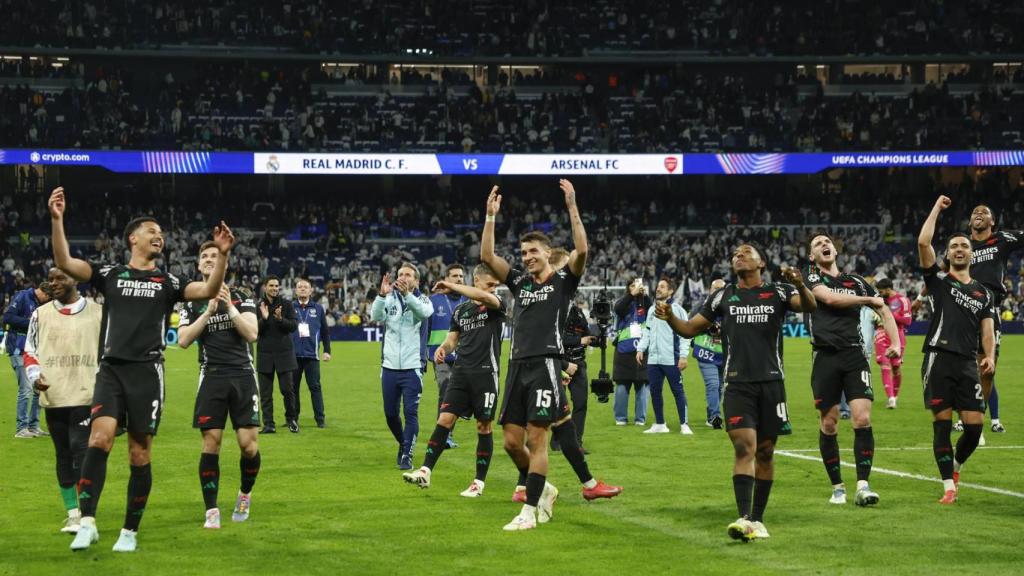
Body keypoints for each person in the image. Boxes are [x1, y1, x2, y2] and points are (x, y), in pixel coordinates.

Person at [49, 186, 235, 552]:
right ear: (133, 238)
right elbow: (66, 262)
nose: (159, 236)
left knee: (139, 453)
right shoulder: (110, 274)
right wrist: (57, 221)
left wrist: (224, 256)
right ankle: (87, 522)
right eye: (152, 231)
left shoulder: (168, 282)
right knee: (98, 439)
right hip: (112, 370)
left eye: (161, 233)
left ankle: (129, 531)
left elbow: (209, 288)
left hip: (147, 374)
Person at [656, 244, 816, 541]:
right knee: (744, 447)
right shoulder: (722, 295)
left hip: (771, 383)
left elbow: (810, 306)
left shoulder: (779, 292)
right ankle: (744, 517)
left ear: (761, 262)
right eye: (735, 254)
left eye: (746, 252)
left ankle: (758, 519)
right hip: (737, 383)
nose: (738, 255)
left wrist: (800, 284)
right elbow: (691, 328)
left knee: (766, 452)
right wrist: (670, 318)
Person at [482, 181, 586, 531]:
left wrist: (572, 207)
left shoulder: (562, 283)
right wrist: (490, 217)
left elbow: (582, 251)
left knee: (536, 439)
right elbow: (487, 258)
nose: (527, 258)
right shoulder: (519, 285)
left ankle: (529, 512)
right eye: (523, 253)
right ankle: (544, 487)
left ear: (546, 253)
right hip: (517, 367)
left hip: (545, 365)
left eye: (532, 252)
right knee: (512, 443)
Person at [804, 234, 902, 507]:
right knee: (829, 422)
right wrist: (866, 301)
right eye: (817, 244)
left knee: (861, 419)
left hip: (854, 355)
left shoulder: (857, 281)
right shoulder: (811, 277)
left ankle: (863, 485)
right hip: (824, 355)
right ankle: (837, 487)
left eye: (827, 242)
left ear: (835, 249)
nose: (824, 245)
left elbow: (883, 309)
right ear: (812, 256)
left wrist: (894, 341)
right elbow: (829, 299)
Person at [177, 242, 261, 529]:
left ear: (225, 263)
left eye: (215, 255)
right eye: (205, 257)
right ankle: (211, 510)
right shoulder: (190, 301)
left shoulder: (242, 296)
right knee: (211, 443)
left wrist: (228, 307)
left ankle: (245, 494)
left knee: (248, 447)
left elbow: (251, 334)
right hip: (211, 375)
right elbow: (184, 340)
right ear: (199, 266)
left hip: (242, 375)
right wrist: (208, 312)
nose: (210, 260)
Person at [917, 195, 996, 504]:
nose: (960, 250)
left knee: (975, 427)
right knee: (943, 423)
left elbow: (987, 329)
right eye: (954, 247)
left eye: (965, 246)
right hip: (937, 358)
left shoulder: (983, 293)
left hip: (966, 363)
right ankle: (948, 485)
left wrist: (988, 356)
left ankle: (957, 465)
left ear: (972, 255)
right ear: (947, 255)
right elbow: (924, 244)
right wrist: (936, 207)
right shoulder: (938, 280)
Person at [402, 264, 504, 496]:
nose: (494, 289)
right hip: (461, 373)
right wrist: (443, 348)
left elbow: (484, 298)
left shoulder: (496, 306)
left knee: (483, 426)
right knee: (445, 419)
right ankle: (425, 471)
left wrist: (451, 285)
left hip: (486, 374)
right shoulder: (461, 311)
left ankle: (478, 483)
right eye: (490, 284)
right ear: (477, 280)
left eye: (496, 285)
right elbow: (452, 339)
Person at [23, 267, 101, 533]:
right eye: (51, 278)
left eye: (60, 278)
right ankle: (73, 513)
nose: (53, 283)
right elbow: (30, 351)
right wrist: (34, 377)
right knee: (63, 455)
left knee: (82, 452)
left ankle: (86, 515)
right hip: (54, 395)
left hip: (86, 394)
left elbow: (107, 352)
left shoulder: (97, 312)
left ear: (75, 279)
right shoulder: (39, 314)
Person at [371, 262, 434, 470]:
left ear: (416, 281)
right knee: (390, 414)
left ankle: (407, 455)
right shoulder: (388, 299)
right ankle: (403, 443)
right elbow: (375, 317)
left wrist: (408, 296)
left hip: (412, 367)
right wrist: (381, 296)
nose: (403, 277)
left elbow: (424, 313)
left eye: (408, 275)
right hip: (389, 367)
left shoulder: (422, 299)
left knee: (410, 413)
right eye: (400, 274)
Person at [966, 204, 1020, 433]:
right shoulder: (961, 244)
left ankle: (977, 418)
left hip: (989, 309)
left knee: (987, 367)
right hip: (962, 309)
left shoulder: (1002, 239)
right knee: (959, 367)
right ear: (970, 222)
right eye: (975, 212)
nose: (979, 213)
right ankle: (965, 415)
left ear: (992, 222)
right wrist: (920, 296)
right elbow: (940, 269)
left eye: (985, 212)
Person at [550, 247, 594, 449]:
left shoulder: (575, 309)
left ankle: (576, 442)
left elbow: (585, 333)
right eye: (567, 267)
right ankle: (556, 440)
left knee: (580, 403)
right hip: (556, 361)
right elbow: (549, 337)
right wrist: (564, 362)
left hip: (578, 362)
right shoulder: (547, 304)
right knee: (556, 405)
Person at [638, 277, 693, 435]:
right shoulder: (651, 310)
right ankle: (660, 424)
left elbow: (685, 335)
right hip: (654, 359)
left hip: (672, 358)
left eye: (663, 287)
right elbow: (647, 332)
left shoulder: (677, 310)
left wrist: (683, 356)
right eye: (658, 286)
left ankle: (684, 424)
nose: (658, 289)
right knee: (655, 391)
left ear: (670, 291)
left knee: (678, 391)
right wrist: (641, 348)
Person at [425, 264, 468, 447]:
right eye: (455, 276)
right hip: (440, 354)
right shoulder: (433, 301)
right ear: (446, 279)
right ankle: (442, 434)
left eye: (461, 276)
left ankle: (447, 433)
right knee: (446, 385)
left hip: (464, 356)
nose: (459, 279)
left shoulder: (468, 299)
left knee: (457, 394)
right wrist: (424, 353)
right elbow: (424, 328)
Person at [4, 279, 51, 437]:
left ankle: (33, 426)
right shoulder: (22, 297)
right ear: (42, 292)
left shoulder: (40, 304)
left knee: (38, 388)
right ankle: (21, 428)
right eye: (48, 297)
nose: (48, 301)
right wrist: (32, 322)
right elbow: (8, 318)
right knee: (26, 389)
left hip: (33, 351)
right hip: (18, 347)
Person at [256, 276, 299, 434]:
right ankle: (269, 424)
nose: (275, 288)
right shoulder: (258, 305)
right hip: (265, 354)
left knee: (287, 390)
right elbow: (253, 330)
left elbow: (294, 326)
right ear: (265, 287)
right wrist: (264, 319)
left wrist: (281, 319)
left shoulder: (286, 304)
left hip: (284, 354)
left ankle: (291, 420)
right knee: (265, 394)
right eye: (271, 285)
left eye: (276, 285)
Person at [291, 278, 331, 428]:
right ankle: (293, 419)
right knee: (293, 388)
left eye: (305, 287)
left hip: (312, 356)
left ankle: (320, 420)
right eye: (299, 287)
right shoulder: (289, 307)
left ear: (311, 291)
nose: (302, 289)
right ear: (295, 291)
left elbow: (326, 332)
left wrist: (327, 350)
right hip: (293, 356)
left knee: (315, 387)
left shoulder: (318, 309)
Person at [612, 277, 651, 426]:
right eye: (632, 285)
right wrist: (631, 295)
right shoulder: (624, 302)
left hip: (643, 349)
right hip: (624, 350)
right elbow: (618, 309)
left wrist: (645, 295)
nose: (636, 287)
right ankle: (621, 418)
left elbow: (652, 311)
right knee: (622, 384)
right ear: (628, 288)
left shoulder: (645, 302)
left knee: (642, 384)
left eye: (638, 285)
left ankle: (640, 419)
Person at [874, 278, 912, 408]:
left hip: (898, 335)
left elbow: (907, 321)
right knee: (884, 365)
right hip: (881, 334)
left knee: (896, 368)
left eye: (881, 291)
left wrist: (889, 314)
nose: (879, 293)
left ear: (888, 289)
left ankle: (894, 396)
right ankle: (890, 399)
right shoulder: (878, 300)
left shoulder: (902, 301)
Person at [693, 278, 726, 429]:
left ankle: (711, 414)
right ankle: (715, 416)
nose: (719, 292)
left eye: (722, 289)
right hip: (705, 351)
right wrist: (709, 327)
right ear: (711, 290)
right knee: (713, 384)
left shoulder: (729, 306)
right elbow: (690, 323)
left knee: (720, 387)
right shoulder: (702, 305)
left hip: (723, 353)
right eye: (716, 289)